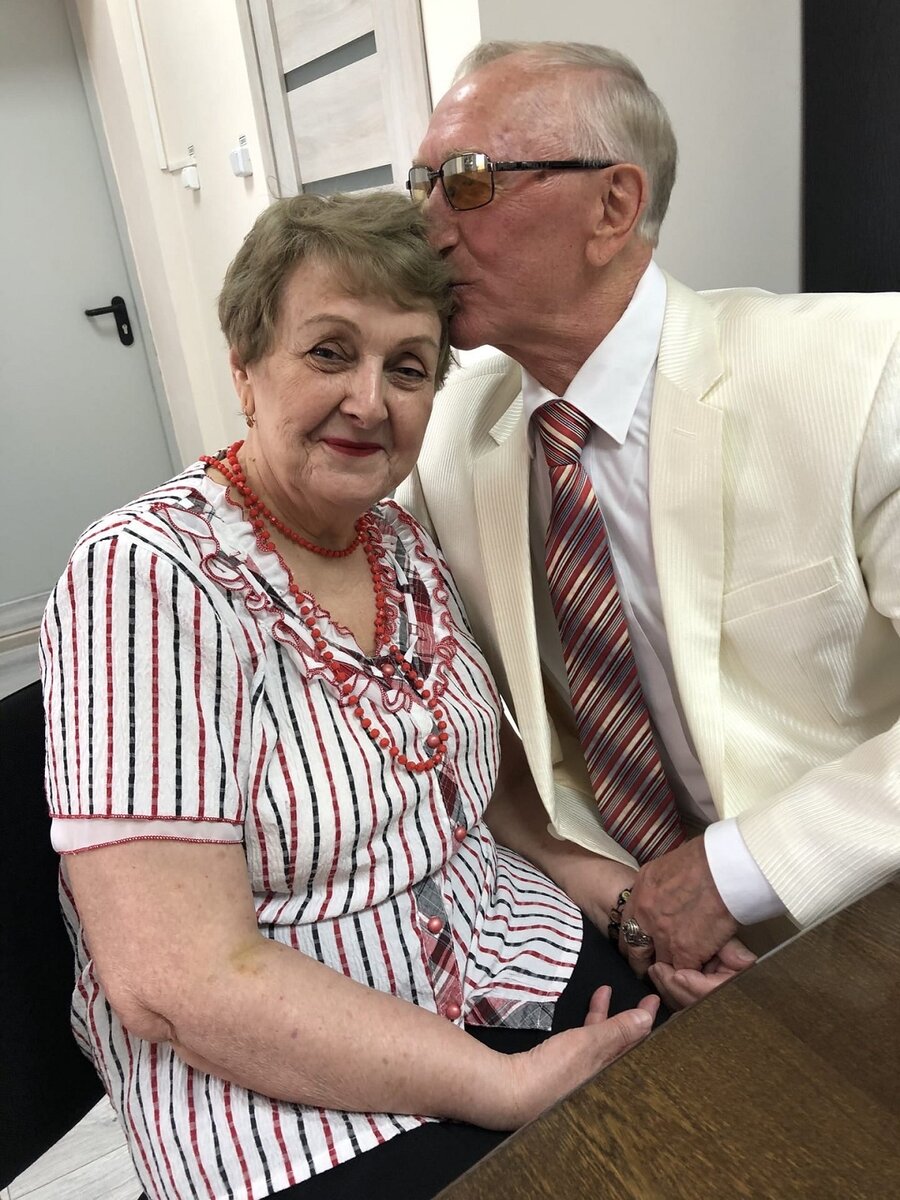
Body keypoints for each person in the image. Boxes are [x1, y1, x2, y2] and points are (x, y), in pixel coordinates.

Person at [40, 191, 659, 1200]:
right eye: (329, 352)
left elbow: (485, 780)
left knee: (731, 1102)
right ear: (245, 368)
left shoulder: (398, 543)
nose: (371, 401)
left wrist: (620, 898)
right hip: (287, 1092)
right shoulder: (144, 577)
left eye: (407, 367)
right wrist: (503, 1088)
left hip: (509, 957)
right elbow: (175, 981)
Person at [397, 40, 900, 1010]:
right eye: (420, 184)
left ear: (613, 205)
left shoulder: (863, 375)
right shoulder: (448, 433)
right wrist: (626, 898)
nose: (424, 228)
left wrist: (735, 874)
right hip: (619, 933)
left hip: (855, 916)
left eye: (466, 181)